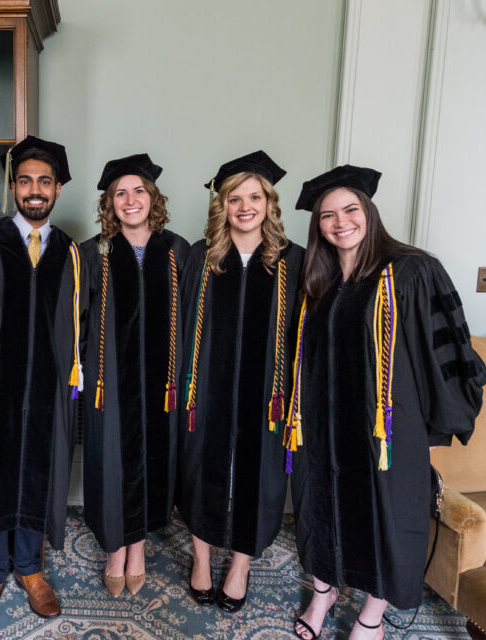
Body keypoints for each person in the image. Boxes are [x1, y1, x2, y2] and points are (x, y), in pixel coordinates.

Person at [287, 165, 486, 640]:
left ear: (369, 212)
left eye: (351, 210)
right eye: (327, 215)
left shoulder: (412, 271)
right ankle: (323, 593)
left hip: (386, 434)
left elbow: (445, 354)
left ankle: (370, 618)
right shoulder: (317, 281)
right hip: (322, 430)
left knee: (388, 519)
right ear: (317, 225)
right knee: (319, 511)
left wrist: (433, 433)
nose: (340, 223)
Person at [0, 135, 86, 635]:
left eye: (45, 182)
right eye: (26, 181)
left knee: (37, 469)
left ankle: (30, 569)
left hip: (47, 388)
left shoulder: (73, 254)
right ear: (13, 186)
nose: (35, 190)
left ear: (58, 190)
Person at [177, 150, 304, 613]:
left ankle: (241, 565)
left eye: (255, 197)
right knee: (199, 470)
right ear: (222, 205)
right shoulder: (202, 257)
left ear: (269, 203)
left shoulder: (294, 262)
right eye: (235, 198)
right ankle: (203, 558)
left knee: (260, 475)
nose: (245, 206)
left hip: (267, 396)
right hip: (205, 391)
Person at [80, 153, 188, 597]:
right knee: (109, 462)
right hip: (110, 381)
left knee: (154, 458)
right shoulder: (92, 252)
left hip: (162, 383)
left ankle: (138, 547)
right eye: (119, 193)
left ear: (153, 197)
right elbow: (78, 320)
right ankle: (114, 550)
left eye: (138, 190)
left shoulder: (178, 250)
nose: (130, 200)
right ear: (109, 203)